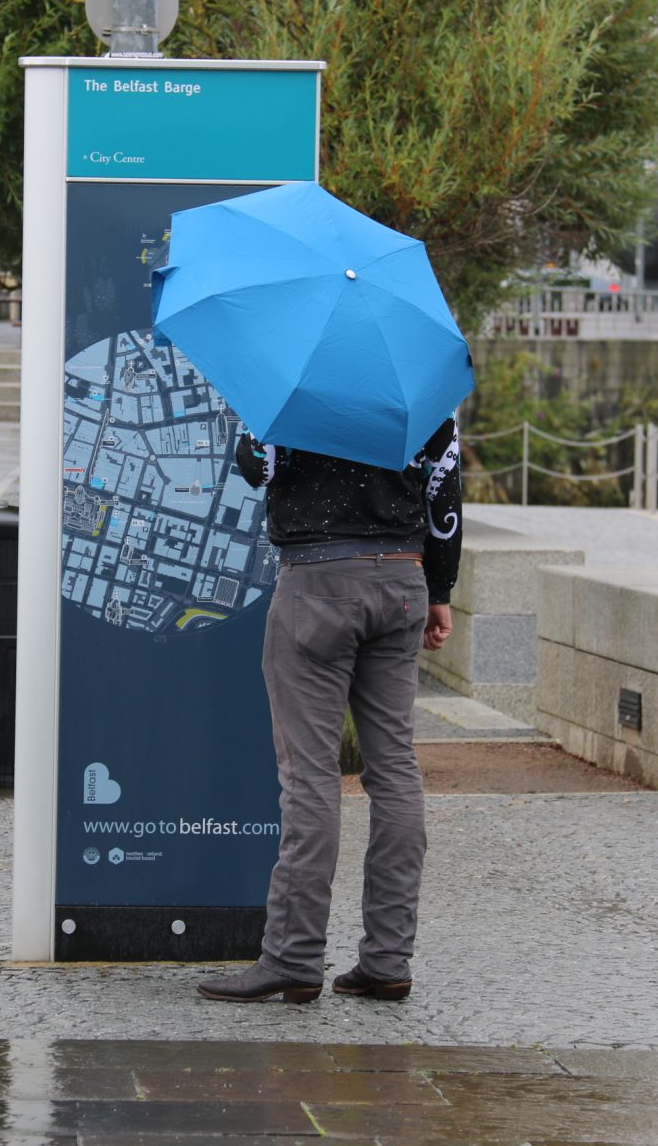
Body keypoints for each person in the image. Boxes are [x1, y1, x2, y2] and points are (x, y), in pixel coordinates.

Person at [196, 418, 462, 1005]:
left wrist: (259, 417)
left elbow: (254, 468)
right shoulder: (419, 381)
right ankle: (388, 960)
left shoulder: (291, 377)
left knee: (310, 776)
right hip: (402, 580)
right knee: (394, 770)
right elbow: (445, 490)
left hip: (316, 583)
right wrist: (440, 589)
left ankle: (292, 957)